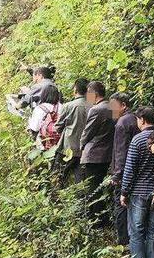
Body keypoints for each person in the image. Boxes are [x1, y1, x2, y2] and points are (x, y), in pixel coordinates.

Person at [120, 107, 154, 258]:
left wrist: (124, 192)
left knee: (136, 232)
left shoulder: (138, 139)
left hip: (138, 193)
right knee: (153, 232)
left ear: (142, 120)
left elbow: (130, 168)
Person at [79, 81, 115, 226]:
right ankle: (102, 218)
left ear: (94, 94)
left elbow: (87, 132)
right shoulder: (113, 106)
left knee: (92, 189)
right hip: (108, 153)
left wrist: (81, 145)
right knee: (99, 187)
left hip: (93, 154)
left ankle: (97, 220)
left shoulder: (96, 110)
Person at [109, 92, 139, 246]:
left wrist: (117, 175)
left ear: (123, 105)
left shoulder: (122, 123)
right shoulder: (136, 119)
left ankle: (123, 242)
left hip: (124, 172)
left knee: (121, 206)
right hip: (137, 170)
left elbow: (121, 151)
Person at [54, 78, 88, 184]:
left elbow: (58, 127)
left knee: (58, 176)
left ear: (75, 90)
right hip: (85, 149)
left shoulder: (68, 106)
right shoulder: (93, 107)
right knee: (80, 180)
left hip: (67, 147)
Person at [27, 83, 62, 149]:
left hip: (44, 142)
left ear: (43, 95)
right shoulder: (62, 106)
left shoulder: (40, 108)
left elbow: (35, 128)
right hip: (60, 141)